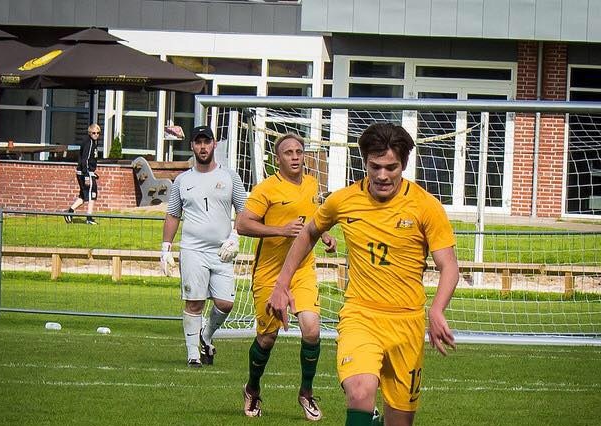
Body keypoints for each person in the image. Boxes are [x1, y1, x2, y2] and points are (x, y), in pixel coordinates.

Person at [267, 123, 459, 426]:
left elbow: (449, 266)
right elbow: (309, 232)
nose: (382, 175)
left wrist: (436, 310)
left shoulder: (426, 207)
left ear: (404, 164)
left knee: (399, 421)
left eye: (391, 167)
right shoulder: (343, 200)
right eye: (375, 166)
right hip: (361, 315)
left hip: (407, 322)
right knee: (359, 391)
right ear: (365, 162)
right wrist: (281, 284)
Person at [236, 133, 337, 421]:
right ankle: (252, 389)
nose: (295, 156)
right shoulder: (266, 188)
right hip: (270, 272)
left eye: (299, 151)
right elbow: (242, 224)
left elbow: (314, 219)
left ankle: (306, 392)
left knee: (312, 329)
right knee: (267, 338)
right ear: (277, 159)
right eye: (288, 152)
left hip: (302, 270)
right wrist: (281, 230)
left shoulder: (312, 184)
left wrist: (326, 235)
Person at [161, 125, 246, 368]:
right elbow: (173, 214)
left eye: (206, 142)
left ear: (214, 144)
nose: (202, 147)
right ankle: (193, 355)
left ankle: (206, 335)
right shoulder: (182, 180)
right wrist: (165, 247)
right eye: (198, 142)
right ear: (192, 146)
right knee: (194, 301)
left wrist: (235, 235)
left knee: (225, 303)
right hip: (192, 250)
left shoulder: (230, 176)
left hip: (222, 251)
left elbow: (243, 209)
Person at [64, 123, 101, 225]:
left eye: (98, 133)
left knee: (83, 196)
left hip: (87, 172)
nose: (96, 135)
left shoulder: (92, 142)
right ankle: (89, 218)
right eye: (94, 133)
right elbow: (85, 160)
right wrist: (87, 176)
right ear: (89, 133)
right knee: (92, 194)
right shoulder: (89, 143)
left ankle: (70, 211)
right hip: (86, 173)